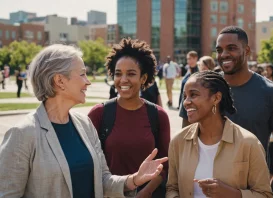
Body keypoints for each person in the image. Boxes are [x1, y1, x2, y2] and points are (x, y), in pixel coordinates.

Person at [0, 44, 168, 198]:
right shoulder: (22, 134)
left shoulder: (84, 125)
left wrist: (134, 179)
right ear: (59, 81)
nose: (87, 81)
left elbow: (102, 180)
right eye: (82, 74)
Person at [167, 71, 273, 198]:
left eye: (193, 95)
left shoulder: (248, 143)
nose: (186, 102)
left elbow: (265, 194)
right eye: (185, 96)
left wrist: (233, 194)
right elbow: (172, 188)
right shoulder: (178, 141)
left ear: (216, 98)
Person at [215, 26, 273, 197]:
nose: (224, 54)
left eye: (232, 48)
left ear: (247, 50)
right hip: (204, 189)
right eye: (219, 50)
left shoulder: (272, 93)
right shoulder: (203, 88)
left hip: (250, 191)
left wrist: (271, 190)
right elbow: (186, 144)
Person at [88, 38, 170, 198]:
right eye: (118, 74)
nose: (123, 80)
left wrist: (146, 192)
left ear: (143, 78)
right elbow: (90, 165)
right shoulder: (98, 114)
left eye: (131, 74)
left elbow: (165, 164)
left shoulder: (158, 116)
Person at [179, 55, 216, 128]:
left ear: (205, 67)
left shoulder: (196, 83)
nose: (199, 67)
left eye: (200, 65)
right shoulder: (194, 78)